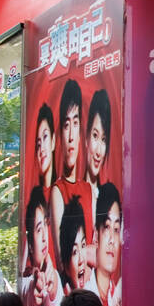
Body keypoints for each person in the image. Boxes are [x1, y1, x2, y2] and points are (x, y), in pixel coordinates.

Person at [49, 80, 94, 275]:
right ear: (60, 132)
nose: (71, 136)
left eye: (76, 123)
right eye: (66, 125)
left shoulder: (88, 189)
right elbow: (63, 261)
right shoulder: (58, 191)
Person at [20, 185, 62, 306]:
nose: (45, 237)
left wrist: (53, 292)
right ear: (30, 246)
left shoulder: (54, 276)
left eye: (45, 225)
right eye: (38, 229)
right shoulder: (24, 282)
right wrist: (34, 292)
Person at [92, 183, 122, 306]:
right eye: (107, 227)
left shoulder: (120, 298)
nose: (112, 240)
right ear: (96, 235)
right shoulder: (83, 296)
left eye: (116, 230)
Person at [58, 195, 96, 294]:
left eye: (83, 245)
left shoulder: (94, 283)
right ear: (66, 267)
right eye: (74, 252)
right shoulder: (61, 297)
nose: (81, 260)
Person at [85, 88, 111, 217]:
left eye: (104, 140)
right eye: (95, 136)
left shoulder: (110, 201)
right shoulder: (71, 197)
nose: (98, 152)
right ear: (86, 137)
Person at [33, 102, 57, 203]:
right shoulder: (35, 198)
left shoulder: (60, 192)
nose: (41, 149)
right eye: (38, 144)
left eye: (45, 137)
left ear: (53, 141)